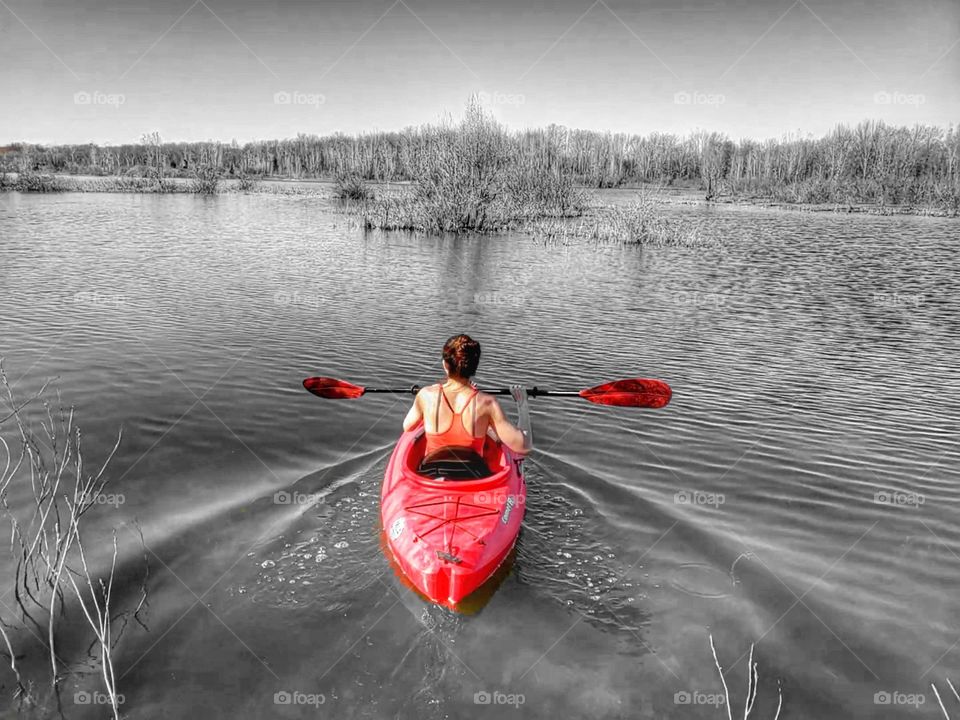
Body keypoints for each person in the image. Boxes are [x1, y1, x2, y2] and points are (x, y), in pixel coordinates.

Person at [403, 334, 532, 478]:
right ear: (473, 367)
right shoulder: (488, 403)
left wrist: (429, 394)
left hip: (432, 475)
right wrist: (522, 404)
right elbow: (524, 447)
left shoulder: (426, 395)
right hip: (473, 476)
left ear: (445, 365)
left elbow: (408, 427)